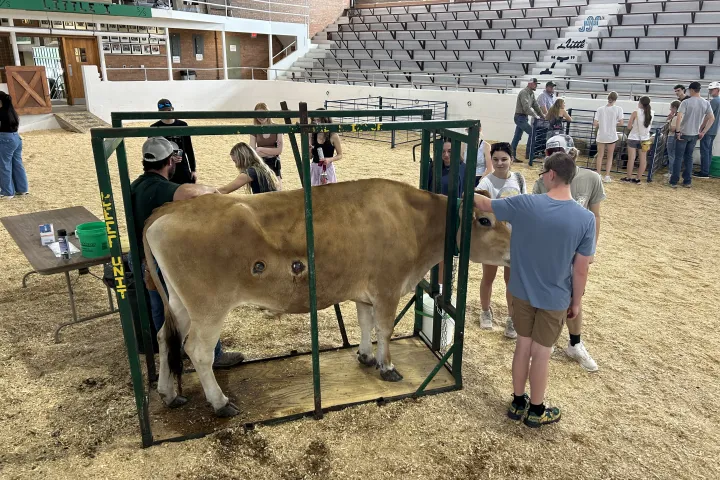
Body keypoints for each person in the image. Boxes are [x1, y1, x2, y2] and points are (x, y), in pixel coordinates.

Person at [473, 152, 595, 428]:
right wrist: (576, 301)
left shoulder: (525, 204)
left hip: (521, 291)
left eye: (543, 173)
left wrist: (465, 191)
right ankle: (537, 410)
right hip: (555, 297)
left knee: (522, 346)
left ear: (551, 175)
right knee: (542, 353)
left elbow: (482, 203)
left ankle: (517, 402)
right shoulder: (585, 219)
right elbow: (581, 269)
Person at [130, 137, 244, 369]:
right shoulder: (161, 187)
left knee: (159, 306)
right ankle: (214, 354)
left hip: (141, 257)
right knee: (199, 303)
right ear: (170, 161)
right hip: (161, 259)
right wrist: (213, 190)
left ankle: (174, 354)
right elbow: (192, 192)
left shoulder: (136, 185)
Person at [534, 135, 602, 372]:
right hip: (551, 249)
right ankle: (548, 339)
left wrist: (590, 249)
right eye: (549, 153)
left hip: (576, 249)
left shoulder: (592, 178)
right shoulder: (544, 179)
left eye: (557, 152)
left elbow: (595, 215)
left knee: (575, 297)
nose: (552, 157)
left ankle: (575, 342)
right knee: (550, 295)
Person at [476, 142, 526, 339]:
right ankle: (485, 311)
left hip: (515, 239)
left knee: (512, 281)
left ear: (511, 160)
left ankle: (512, 318)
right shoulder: (486, 182)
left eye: (504, 159)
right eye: (495, 159)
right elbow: (477, 203)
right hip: (493, 241)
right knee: (488, 276)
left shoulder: (519, 179)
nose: (499, 163)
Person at [671, 82, 715, 188]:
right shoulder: (706, 103)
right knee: (689, 157)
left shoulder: (686, 102)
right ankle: (687, 181)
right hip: (695, 134)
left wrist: (677, 131)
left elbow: (679, 116)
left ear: (691, 90)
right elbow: (711, 118)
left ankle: (674, 181)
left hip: (683, 132)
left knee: (678, 157)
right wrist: (703, 131)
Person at [151, 98, 197, 185]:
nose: (167, 113)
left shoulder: (183, 125)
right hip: (165, 167)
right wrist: (169, 159)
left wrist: (193, 169)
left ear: (172, 109)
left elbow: (189, 148)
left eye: (168, 110)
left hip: (182, 166)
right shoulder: (154, 128)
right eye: (163, 111)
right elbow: (153, 153)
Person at [250, 102, 285, 189]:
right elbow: (253, 152)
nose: (261, 117)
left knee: (277, 190)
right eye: (258, 114)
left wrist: (260, 149)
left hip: (275, 163)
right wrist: (272, 151)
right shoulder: (254, 129)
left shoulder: (278, 128)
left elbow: (279, 151)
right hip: (261, 163)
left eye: (263, 114)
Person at [0, 91, 28, 199]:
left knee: (4, 165)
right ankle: (22, 189)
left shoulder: (1, 112)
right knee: (17, 164)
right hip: (16, 138)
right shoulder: (12, 112)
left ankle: (7, 192)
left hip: (5, 139)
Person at [593, 91, 624, 183]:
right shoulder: (618, 109)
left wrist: (602, 123)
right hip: (611, 135)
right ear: (616, 99)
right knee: (610, 157)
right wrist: (613, 123)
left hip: (601, 135)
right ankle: (607, 176)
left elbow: (595, 123)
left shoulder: (600, 109)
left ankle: (598, 174)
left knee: (600, 156)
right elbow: (621, 123)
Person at [623, 96, 654, 183]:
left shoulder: (635, 112)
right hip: (646, 139)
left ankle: (628, 177)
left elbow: (629, 126)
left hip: (633, 137)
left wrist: (633, 127)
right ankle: (638, 178)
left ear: (640, 102)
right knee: (643, 159)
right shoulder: (652, 113)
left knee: (631, 158)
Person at [511, 78, 543, 161]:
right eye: (535, 84)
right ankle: (529, 154)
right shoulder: (524, 93)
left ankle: (511, 155)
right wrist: (536, 116)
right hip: (520, 117)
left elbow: (535, 106)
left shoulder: (531, 94)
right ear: (530, 84)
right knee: (532, 133)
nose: (536, 85)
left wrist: (542, 115)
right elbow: (526, 107)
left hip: (522, 117)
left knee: (517, 137)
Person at [309, 109, 342, 186]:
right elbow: (310, 157)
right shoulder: (311, 135)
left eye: (319, 120)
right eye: (315, 120)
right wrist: (309, 150)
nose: (316, 123)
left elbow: (340, 154)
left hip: (327, 168)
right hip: (315, 168)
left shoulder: (333, 136)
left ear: (325, 120)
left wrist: (330, 159)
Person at [697, 81, 720, 179]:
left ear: (717, 90)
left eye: (712, 90)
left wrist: (702, 128)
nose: (710, 91)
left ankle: (704, 171)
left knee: (705, 151)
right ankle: (706, 170)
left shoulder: (714, 101)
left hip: (708, 129)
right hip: (714, 129)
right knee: (708, 150)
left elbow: (708, 116)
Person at [662, 100, 681, 178]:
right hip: (676, 137)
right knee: (675, 155)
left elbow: (673, 128)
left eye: (671, 108)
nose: (670, 110)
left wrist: (669, 124)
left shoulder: (676, 117)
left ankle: (671, 172)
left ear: (674, 108)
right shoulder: (679, 116)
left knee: (671, 155)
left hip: (672, 137)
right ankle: (674, 172)